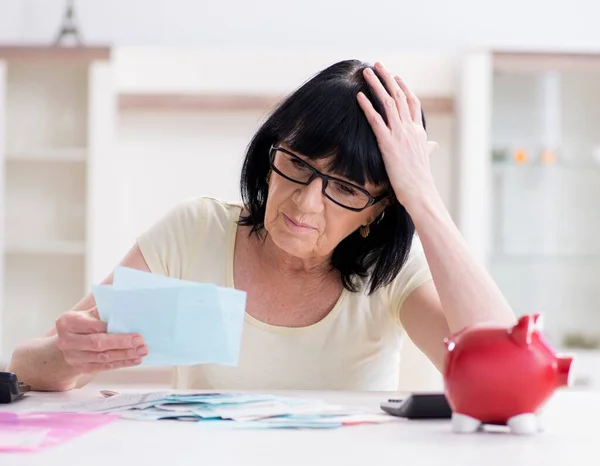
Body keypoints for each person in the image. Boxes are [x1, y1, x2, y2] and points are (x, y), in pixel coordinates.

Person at [8, 60, 516, 392]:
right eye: (296, 164)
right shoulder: (194, 231)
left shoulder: (393, 273)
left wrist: (422, 197)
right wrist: (68, 354)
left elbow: (504, 374)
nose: (305, 201)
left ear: (377, 210)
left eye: (344, 188)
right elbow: (29, 366)